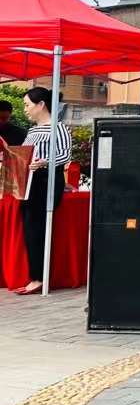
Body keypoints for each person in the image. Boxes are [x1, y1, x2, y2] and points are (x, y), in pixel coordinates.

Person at [16, 86, 70, 295]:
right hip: (29, 183)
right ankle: (35, 275)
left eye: (27, 105)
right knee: (30, 229)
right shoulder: (32, 130)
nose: (25, 109)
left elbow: (65, 155)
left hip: (46, 181)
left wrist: (44, 162)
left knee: (37, 229)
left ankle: (39, 277)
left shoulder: (58, 127)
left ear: (41, 105)